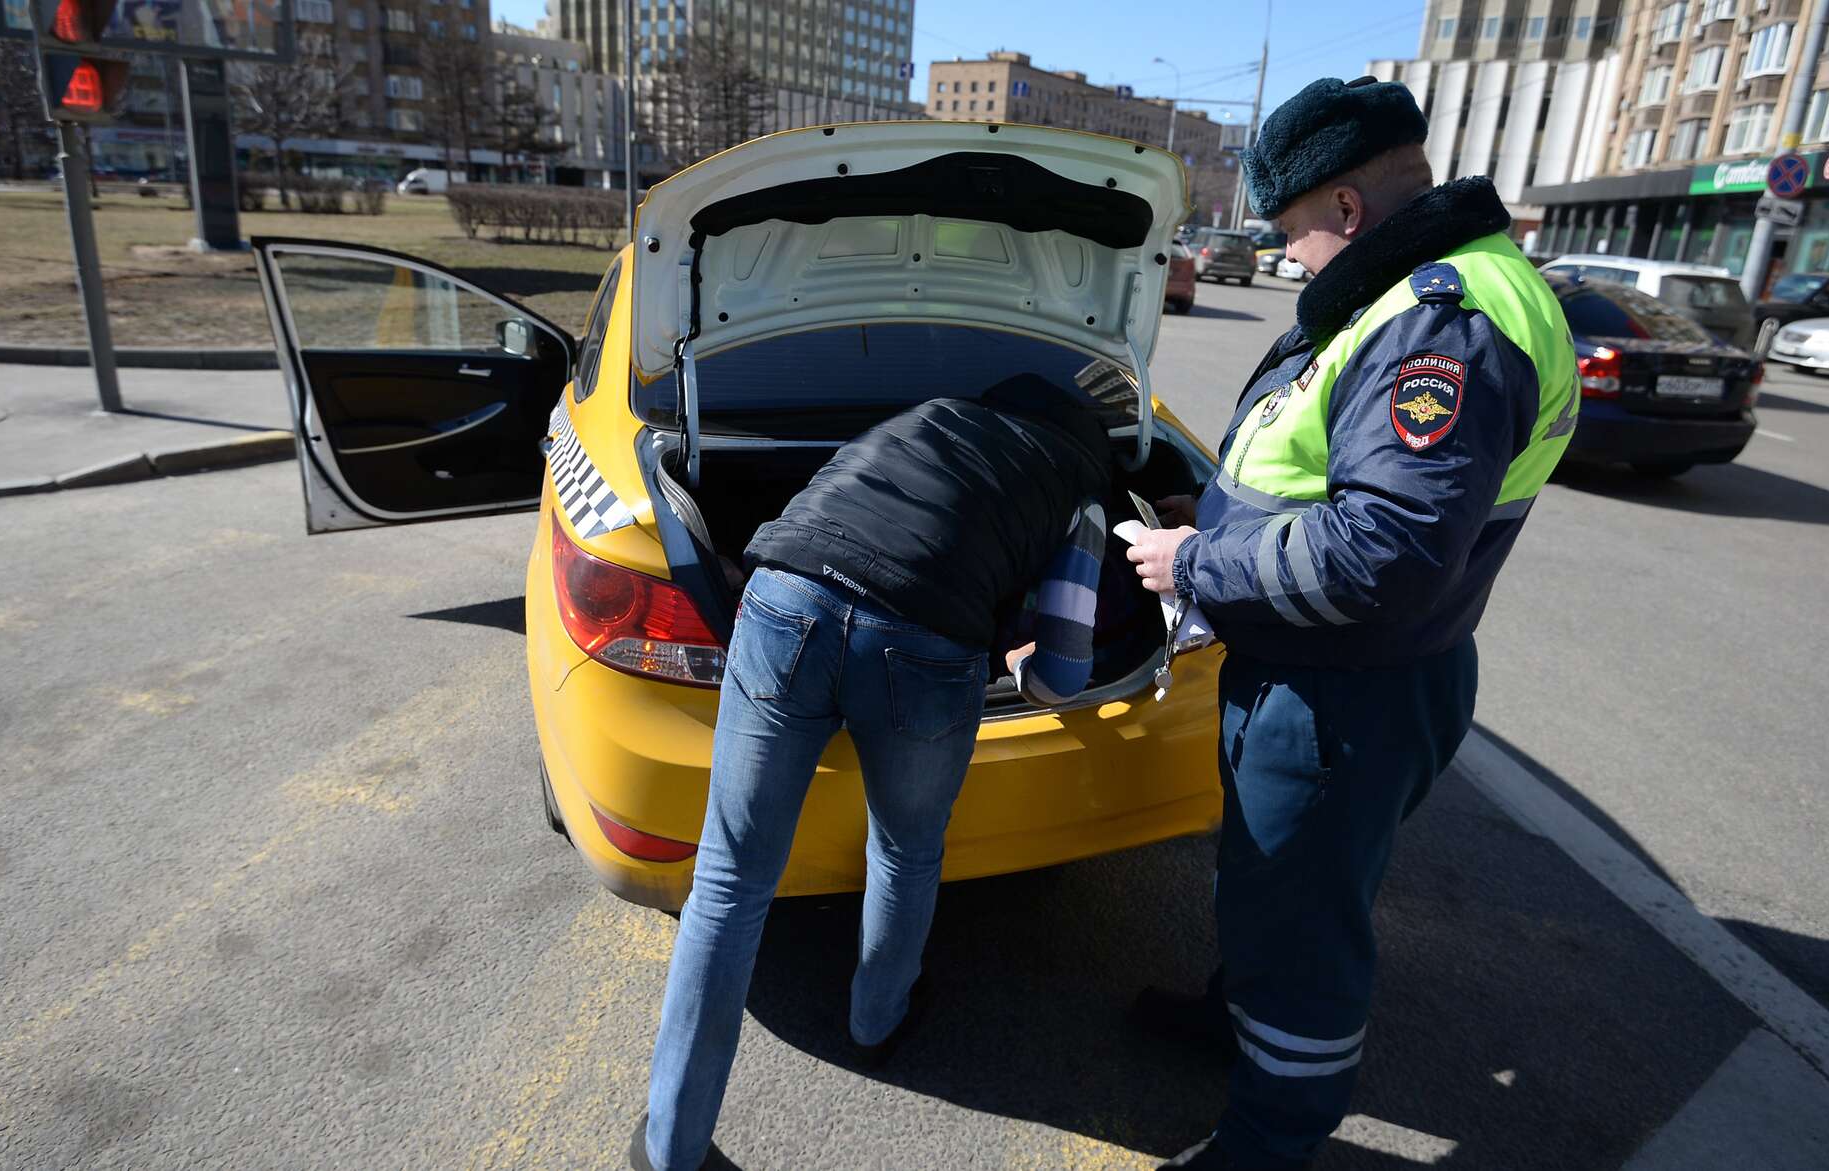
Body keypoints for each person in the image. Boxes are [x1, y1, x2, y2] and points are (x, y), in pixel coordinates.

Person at [1123, 76, 1581, 1169]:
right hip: (1330, 676)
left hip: (1340, 692)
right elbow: (1332, 480)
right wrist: (1219, 510)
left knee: (1304, 930)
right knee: (1273, 888)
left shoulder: (1444, 319)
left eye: (1288, 234)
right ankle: (1236, 1020)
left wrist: (1196, 559)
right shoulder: (1411, 293)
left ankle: (1271, 1136)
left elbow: (1384, 555)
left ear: (1340, 208)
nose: (1285, 260)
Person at [632, 375, 1117, 1171]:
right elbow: (1064, 673)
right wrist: (1020, 657)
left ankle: (668, 1149)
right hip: (922, 645)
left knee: (728, 882)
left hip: (785, 595)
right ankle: (876, 1021)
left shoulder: (927, 415)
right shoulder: (1082, 497)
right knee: (905, 850)